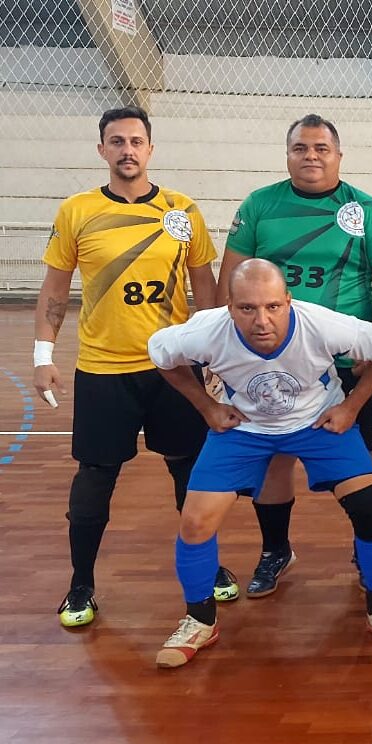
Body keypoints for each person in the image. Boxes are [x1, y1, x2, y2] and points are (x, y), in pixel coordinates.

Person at [147, 259, 372, 667]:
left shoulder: (322, 324)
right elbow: (161, 354)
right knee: (195, 521)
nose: (261, 320)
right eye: (247, 308)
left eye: (273, 306)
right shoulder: (206, 330)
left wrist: (352, 407)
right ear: (229, 307)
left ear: (289, 301)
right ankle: (200, 620)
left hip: (317, 420)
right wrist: (206, 406)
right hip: (244, 428)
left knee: (369, 508)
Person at [33, 106, 227, 628]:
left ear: (150, 148)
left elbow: (204, 288)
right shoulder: (77, 211)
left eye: (136, 140)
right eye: (116, 141)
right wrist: (43, 356)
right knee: (95, 477)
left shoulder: (182, 210)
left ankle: (208, 567)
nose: (127, 150)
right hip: (103, 370)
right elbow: (55, 290)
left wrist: (210, 353)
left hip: (174, 367)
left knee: (190, 469)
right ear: (102, 150)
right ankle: (81, 584)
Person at [216, 113, 372, 596]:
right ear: (288, 155)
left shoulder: (364, 209)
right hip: (272, 357)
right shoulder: (260, 206)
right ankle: (276, 548)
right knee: (276, 456)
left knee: (364, 455)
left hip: (342, 360)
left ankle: (368, 549)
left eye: (322, 148)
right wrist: (229, 353)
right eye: (301, 148)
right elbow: (229, 282)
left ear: (339, 156)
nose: (311, 156)